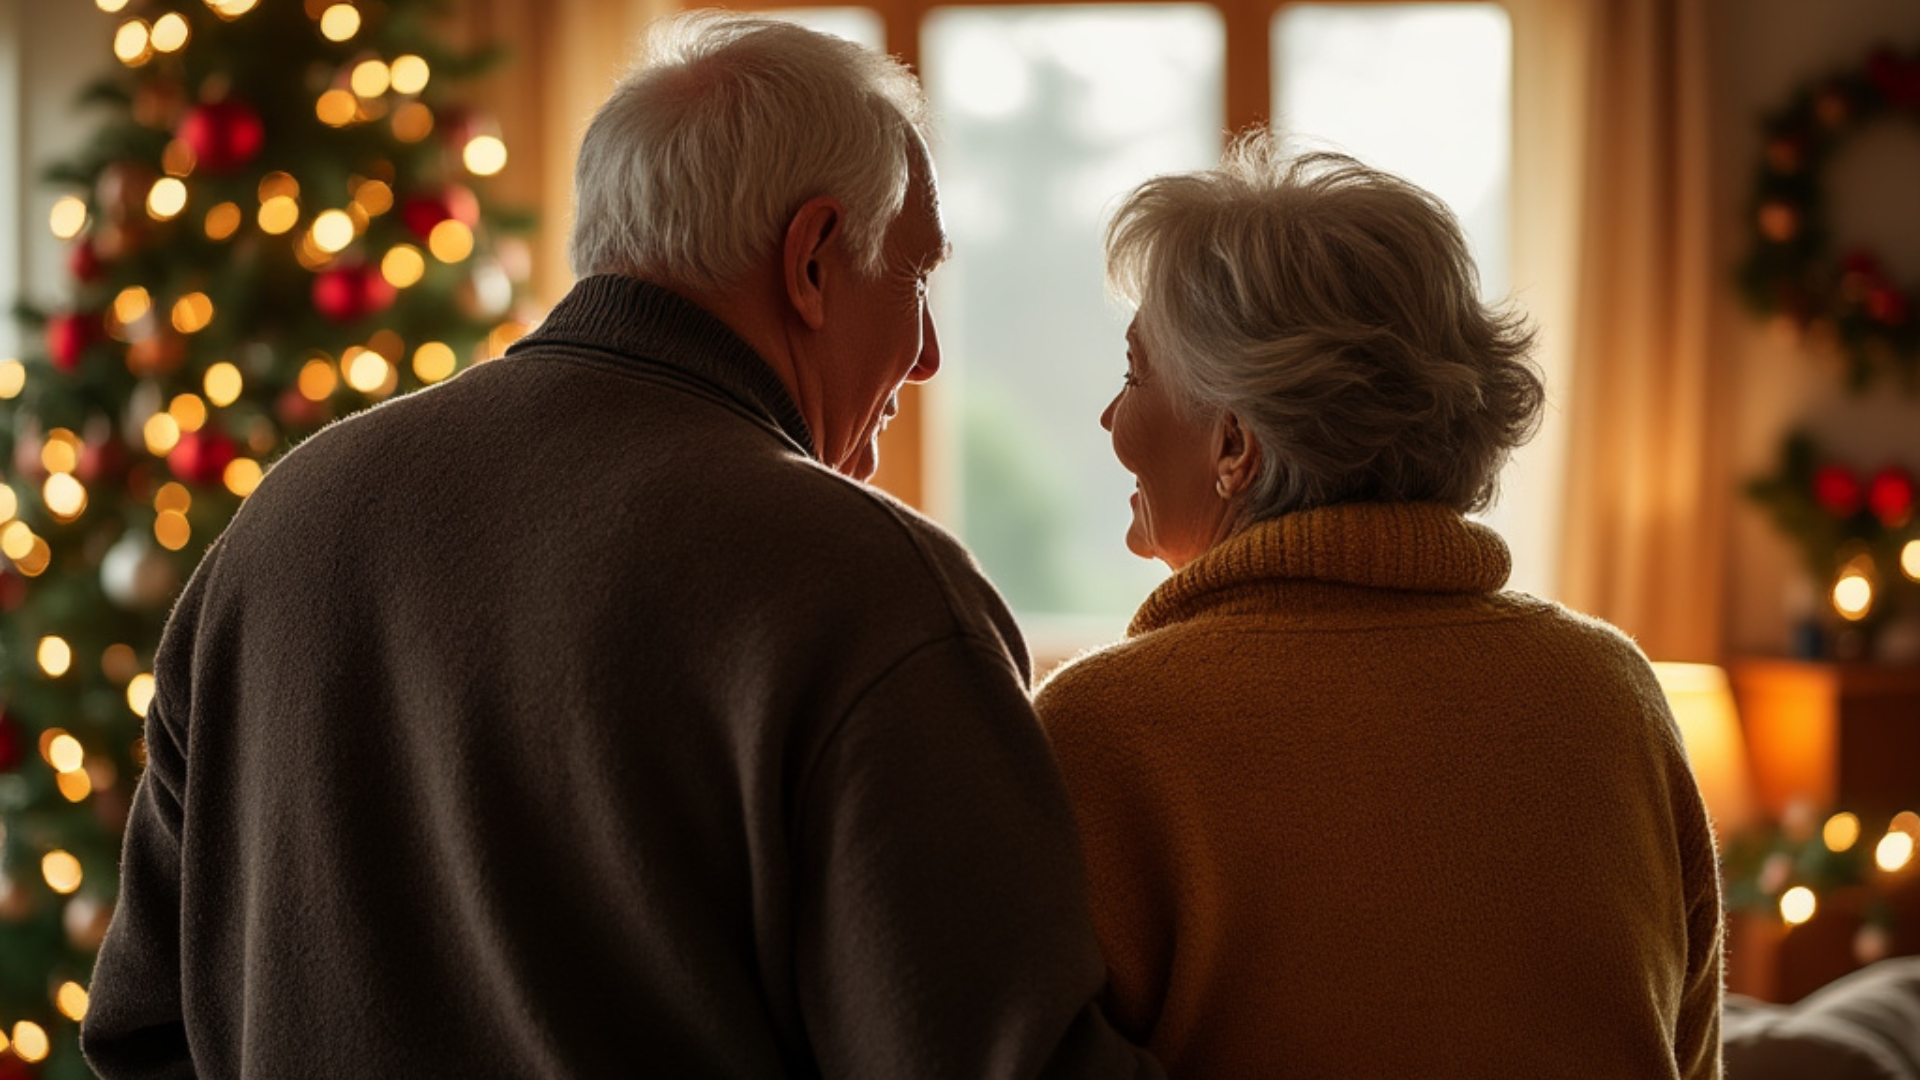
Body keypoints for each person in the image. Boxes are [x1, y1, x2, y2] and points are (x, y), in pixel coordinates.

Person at [84, 15, 1160, 1079]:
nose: (925, 356)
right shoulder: (865, 584)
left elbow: (143, 1031)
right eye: (917, 278)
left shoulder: (282, 525)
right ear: (814, 260)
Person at [1035, 135, 1723, 1079]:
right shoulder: (1614, 694)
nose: (1113, 422)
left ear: (1235, 446)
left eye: (1132, 377)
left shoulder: (1103, 730)